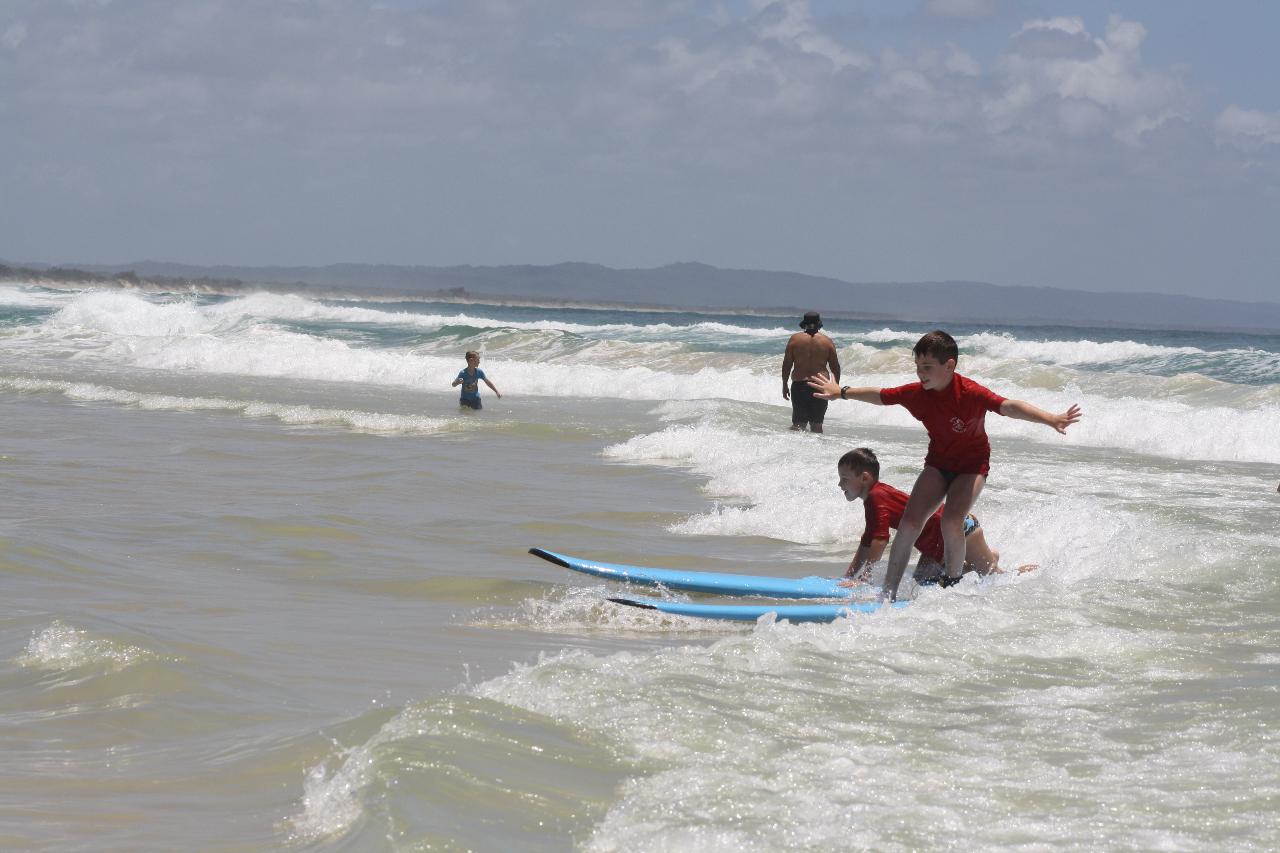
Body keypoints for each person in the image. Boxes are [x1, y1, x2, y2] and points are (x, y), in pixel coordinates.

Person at [808, 330, 1079, 600]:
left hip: (971, 467)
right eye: (917, 366)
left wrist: (1051, 419)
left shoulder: (970, 393)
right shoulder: (916, 394)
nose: (920, 373)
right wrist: (842, 392)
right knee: (909, 524)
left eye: (927, 367)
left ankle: (952, 585)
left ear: (950, 365)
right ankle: (888, 594)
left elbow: (1009, 406)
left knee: (951, 520)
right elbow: (881, 395)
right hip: (938, 464)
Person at [835, 447, 1030, 588]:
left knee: (994, 577)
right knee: (923, 581)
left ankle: (1026, 572)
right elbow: (867, 542)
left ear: (865, 478)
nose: (840, 484)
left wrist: (864, 578)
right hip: (937, 542)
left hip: (958, 529)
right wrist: (849, 576)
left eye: (844, 478)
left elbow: (880, 540)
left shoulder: (876, 497)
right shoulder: (875, 497)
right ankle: (982, 559)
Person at [782, 311, 840, 433]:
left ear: (804, 323)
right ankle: (816, 446)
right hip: (820, 385)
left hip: (799, 386)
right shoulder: (827, 341)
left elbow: (787, 364)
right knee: (817, 426)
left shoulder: (795, 339)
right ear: (819, 323)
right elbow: (835, 367)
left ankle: (793, 445)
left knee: (798, 425)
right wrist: (835, 386)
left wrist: (784, 384)